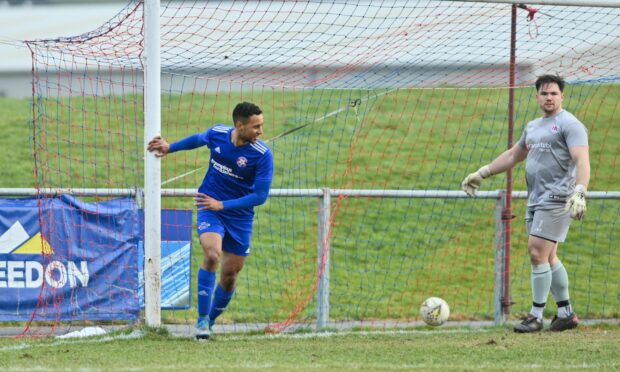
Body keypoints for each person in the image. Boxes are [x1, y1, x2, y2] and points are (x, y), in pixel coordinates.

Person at [461, 75, 589, 333]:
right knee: (549, 256)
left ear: (562, 96)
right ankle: (566, 314)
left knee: (536, 252)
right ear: (537, 97)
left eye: (553, 93)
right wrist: (482, 172)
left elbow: (582, 159)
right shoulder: (532, 126)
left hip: (557, 198)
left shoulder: (570, 124)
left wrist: (580, 191)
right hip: (536, 199)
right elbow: (513, 155)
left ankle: (535, 316)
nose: (549, 98)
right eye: (544, 94)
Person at [147, 102, 274, 339]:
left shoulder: (263, 155)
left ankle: (211, 319)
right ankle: (202, 321)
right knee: (212, 254)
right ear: (240, 125)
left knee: (229, 276)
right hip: (209, 206)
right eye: (256, 126)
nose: (261, 131)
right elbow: (199, 138)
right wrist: (169, 147)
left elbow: (260, 196)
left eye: (262, 126)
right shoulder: (218, 134)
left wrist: (224, 205)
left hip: (240, 216)